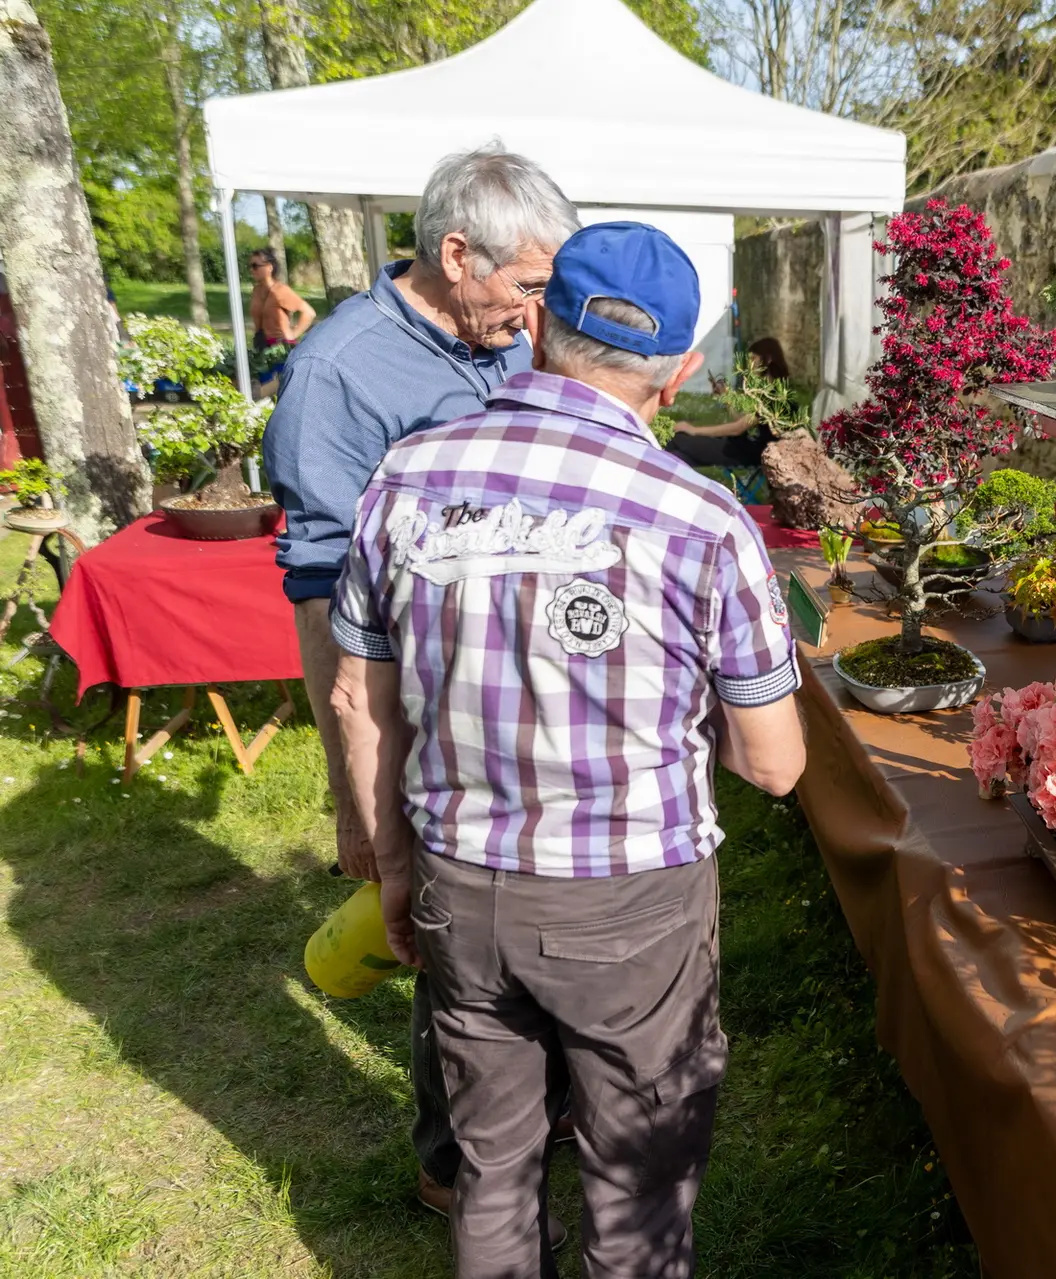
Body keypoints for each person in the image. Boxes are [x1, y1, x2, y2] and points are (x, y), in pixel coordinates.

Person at [328, 221, 807, 1277]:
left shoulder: (406, 475)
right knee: (637, 1185)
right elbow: (774, 764)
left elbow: (360, 699)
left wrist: (395, 868)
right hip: (631, 898)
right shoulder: (703, 519)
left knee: (492, 1163)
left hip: (459, 876)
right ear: (681, 370)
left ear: (538, 322)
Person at [261, 143, 579, 1220]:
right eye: (526, 283)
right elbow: (321, 597)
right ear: (454, 254)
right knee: (451, 938)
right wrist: (355, 794)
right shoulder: (338, 375)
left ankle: (543, 1106)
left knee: (532, 913)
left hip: (521, 701)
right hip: (419, 711)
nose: (538, 311)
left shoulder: (505, 337)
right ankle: (455, 1163)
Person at [666, 336, 789, 469]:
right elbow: (742, 421)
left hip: (748, 453)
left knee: (679, 440)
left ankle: (663, 472)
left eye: (753, 359)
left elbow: (738, 428)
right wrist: (726, 399)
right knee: (680, 450)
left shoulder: (774, 395)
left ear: (768, 359)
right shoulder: (768, 390)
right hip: (742, 447)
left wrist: (693, 430)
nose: (750, 365)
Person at [246, 249, 316, 395]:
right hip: (261, 347)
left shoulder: (281, 291)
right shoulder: (256, 290)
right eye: (250, 266)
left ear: (269, 267)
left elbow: (309, 313)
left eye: (255, 266)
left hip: (279, 349)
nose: (252, 270)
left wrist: (293, 334)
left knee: (273, 392)